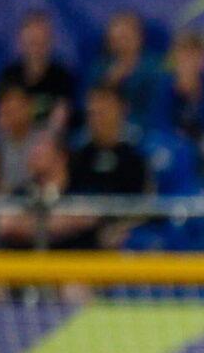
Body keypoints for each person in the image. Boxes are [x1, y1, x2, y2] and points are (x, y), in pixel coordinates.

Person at [64, 85, 151, 247]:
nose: (98, 117)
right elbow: (66, 196)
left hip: (122, 236)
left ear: (122, 110)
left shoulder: (135, 157)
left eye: (104, 111)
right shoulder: (78, 156)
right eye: (93, 112)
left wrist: (118, 228)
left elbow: (144, 206)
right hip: (78, 235)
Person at [0, 10, 78, 133]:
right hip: (15, 137)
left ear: (50, 41)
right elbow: (2, 117)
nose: (36, 48)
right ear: (21, 41)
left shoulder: (62, 75)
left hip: (48, 141)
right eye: (32, 41)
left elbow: (61, 116)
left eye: (41, 41)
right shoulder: (9, 75)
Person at [89, 10, 167, 127]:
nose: (120, 44)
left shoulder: (155, 67)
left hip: (145, 127)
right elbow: (89, 105)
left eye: (125, 38)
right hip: (106, 128)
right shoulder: (99, 68)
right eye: (115, 39)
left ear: (139, 37)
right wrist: (109, 83)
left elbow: (158, 105)